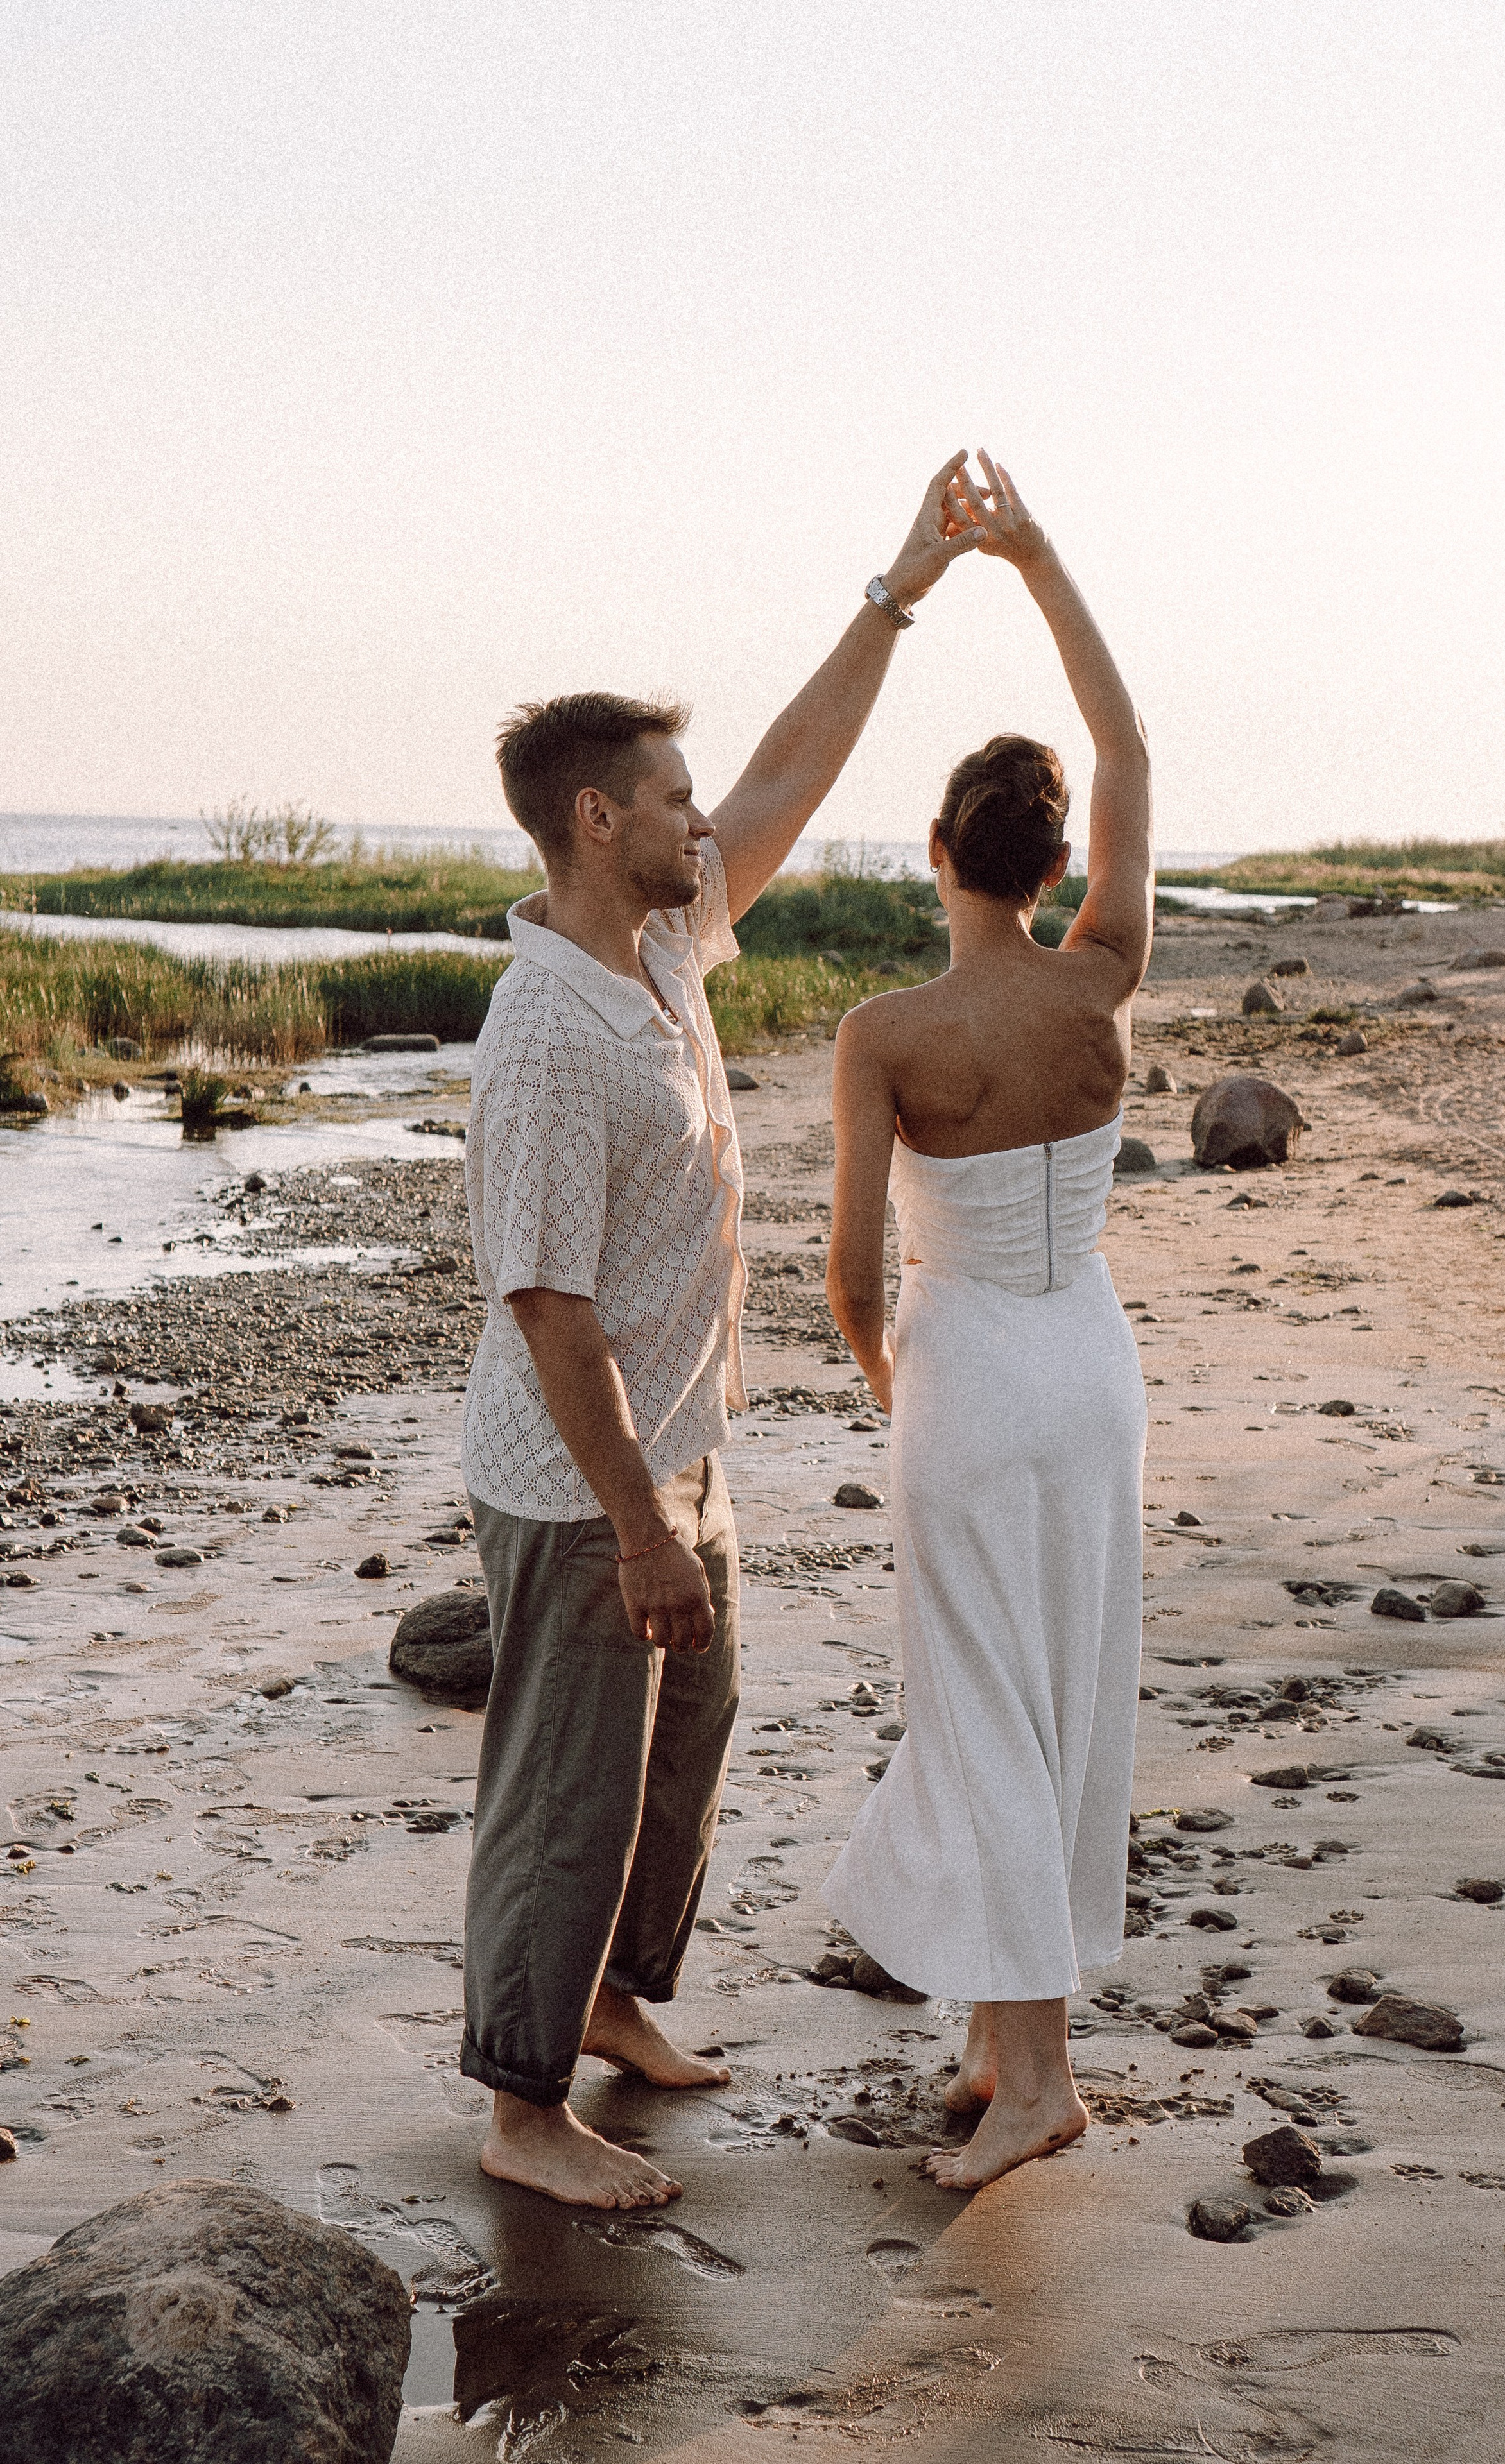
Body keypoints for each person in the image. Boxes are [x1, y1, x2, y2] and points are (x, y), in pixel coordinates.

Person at [458, 456, 988, 2212]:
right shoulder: (543, 1033)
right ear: (598, 819)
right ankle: (522, 2107)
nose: (710, 819)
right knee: (568, 1787)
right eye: (675, 801)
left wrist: (900, 588)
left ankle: (613, 2000)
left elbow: (790, 767)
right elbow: (545, 1305)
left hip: (684, 1447)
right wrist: (632, 1521)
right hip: (579, 1477)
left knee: (685, 1743)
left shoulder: (669, 947)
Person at [824, 452, 1153, 2193]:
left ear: (939, 856)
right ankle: (989, 2033)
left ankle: (1041, 2081)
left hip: (967, 1368)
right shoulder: (1102, 977)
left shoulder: (889, 1032)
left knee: (978, 1706)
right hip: (1091, 1364)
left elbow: (851, 1278)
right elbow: (1132, 753)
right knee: (1065, 1692)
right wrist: (1034, 554)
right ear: (1047, 862)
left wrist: (898, 1384)